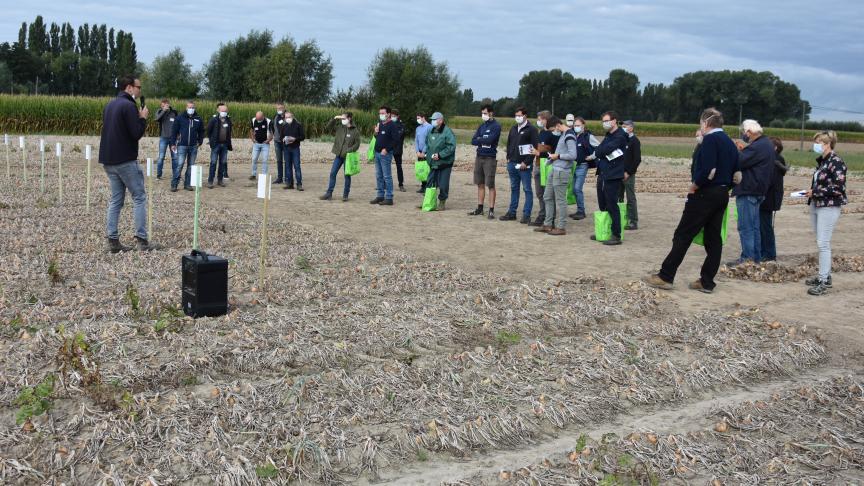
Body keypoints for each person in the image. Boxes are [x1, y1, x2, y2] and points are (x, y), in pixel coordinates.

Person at [644, 108, 739, 293]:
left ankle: (666, 276)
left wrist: (695, 185)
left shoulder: (710, 139)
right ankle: (706, 281)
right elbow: (737, 171)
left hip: (705, 193)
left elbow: (708, 169)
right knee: (713, 239)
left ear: (705, 123)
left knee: (683, 234)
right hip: (722, 194)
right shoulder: (729, 141)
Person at [98, 75, 159, 252]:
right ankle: (141, 240)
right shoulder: (129, 106)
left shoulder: (110, 104)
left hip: (108, 160)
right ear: (129, 88)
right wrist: (143, 118)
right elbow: (136, 133)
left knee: (116, 199)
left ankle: (113, 239)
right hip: (125, 159)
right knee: (139, 197)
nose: (140, 91)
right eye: (138, 87)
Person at [805, 131, 847, 296]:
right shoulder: (823, 162)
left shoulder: (836, 162)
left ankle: (823, 280)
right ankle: (825, 275)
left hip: (829, 206)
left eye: (818, 142)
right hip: (817, 204)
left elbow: (838, 188)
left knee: (823, 243)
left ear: (827, 143)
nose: (815, 145)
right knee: (820, 241)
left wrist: (815, 191)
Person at [729, 119, 773, 264]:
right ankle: (755, 258)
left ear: (749, 132)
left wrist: (736, 149)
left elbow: (739, 161)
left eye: (744, 132)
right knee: (754, 227)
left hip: (749, 190)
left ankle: (747, 258)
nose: (743, 135)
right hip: (758, 190)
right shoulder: (766, 144)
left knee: (746, 227)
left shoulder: (757, 146)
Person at [534, 117, 577, 235]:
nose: (553, 132)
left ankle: (561, 227)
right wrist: (551, 159)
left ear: (558, 125)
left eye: (553, 129)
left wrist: (557, 156)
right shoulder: (564, 135)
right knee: (547, 196)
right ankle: (548, 224)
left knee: (560, 200)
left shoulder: (569, 136)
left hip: (562, 171)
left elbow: (573, 155)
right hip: (554, 169)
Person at [591, 111, 629, 245]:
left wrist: (600, 152)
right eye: (603, 121)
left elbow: (603, 151)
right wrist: (599, 152)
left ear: (614, 121)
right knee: (603, 203)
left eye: (607, 121)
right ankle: (604, 230)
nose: (604, 123)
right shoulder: (608, 135)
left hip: (613, 175)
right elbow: (600, 150)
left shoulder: (620, 136)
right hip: (603, 173)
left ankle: (616, 234)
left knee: (612, 204)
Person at [500, 107, 539, 223]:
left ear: (525, 116)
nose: (517, 117)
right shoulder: (513, 128)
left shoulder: (532, 129)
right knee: (514, 188)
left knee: (527, 189)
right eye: (516, 115)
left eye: (519, 115)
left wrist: (526, 162)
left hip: (524, 166)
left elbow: (535, 148)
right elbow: (509, 144)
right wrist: (508, 158)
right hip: (512, 163)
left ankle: (526, 215)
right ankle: (512, 212)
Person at [469, 104, 501, 219]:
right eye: (482, 113)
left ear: (491, 113)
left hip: (489, 158)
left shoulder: (496, 126)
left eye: (485, 113)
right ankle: (480, 208)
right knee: (480, 183)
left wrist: (480, 139)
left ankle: (491, 210)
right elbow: (473, 140)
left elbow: (491, 140)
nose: (483, 115)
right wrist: (483, 140)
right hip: (479, 156)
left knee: (490, 184)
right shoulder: (481, 126)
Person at [759, 137, 789, 261]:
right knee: (764, 226)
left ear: (775, 148)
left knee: (765, 226)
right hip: (770, 198)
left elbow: (769, 181)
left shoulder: (775, 161)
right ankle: (766, 252)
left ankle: (769, 253)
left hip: (768, 198)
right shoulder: (776, 160)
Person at [320, 112, 361, 201]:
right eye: (341, 119)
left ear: (349, 118)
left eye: (343, 118)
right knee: (332, 173)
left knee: (347, 176)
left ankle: (345, 195)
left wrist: (348, 150)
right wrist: (334, 118)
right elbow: (328, 127)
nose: (342, 120)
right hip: (338, 155)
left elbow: (357, 144)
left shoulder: (355, 131)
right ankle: (329, 193)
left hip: (348, 156)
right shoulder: (340, 127)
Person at [529, 110, 561, 226]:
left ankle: (550, 218)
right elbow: (539, 148)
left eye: (540, 119)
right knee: (539, 193)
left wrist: (540, 153)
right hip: (538, 165)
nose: (538, 121)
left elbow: (555, 151)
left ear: (546, 120)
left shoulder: (555, 134)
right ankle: (542, 215)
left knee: (549, 194)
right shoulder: (541, 132)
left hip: (548, 166)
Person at [423, 112, 457, 211]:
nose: (432, 121)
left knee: (443, 184)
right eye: (432, 119)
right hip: (433, 163)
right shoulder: (431, 131)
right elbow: (428, 144)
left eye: (434, 119)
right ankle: (429, 202)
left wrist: (440, 155)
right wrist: (428, 156)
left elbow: (451, 147)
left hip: (445, 163)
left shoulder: (447, 132)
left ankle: (442, 202)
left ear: (441, 120)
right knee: (430, 183)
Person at [169, 100, 204, 192]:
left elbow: (201, 131)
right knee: (179, 165)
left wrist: (200, 142)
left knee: (191, 166)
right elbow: (174, 131)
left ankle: (187, 184)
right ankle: (174, 184)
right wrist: (173, 143)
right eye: (189, 107)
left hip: (193, 146)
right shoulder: (180, 117)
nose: (191, 109)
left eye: (193, 107)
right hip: (182, 146)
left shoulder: (198, 118)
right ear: (186, 108)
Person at [370, 106, 398, 206]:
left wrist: (386, 149)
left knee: (387, 176)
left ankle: (389, 197)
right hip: (377, 153)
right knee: (379, 176)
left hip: (385, 154)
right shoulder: (380, 124)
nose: (381, 115)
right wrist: (376, 132)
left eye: (382, 113)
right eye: (380, 113)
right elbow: (376, 137)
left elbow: (396, 140)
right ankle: (380, 196)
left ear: (388, 114)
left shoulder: (393, 125)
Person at [569, 116, 596, 220]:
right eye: (575, 125)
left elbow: (599, 147)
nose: (576, 127)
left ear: (583, 126)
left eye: (578, 125)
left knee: (577, 188)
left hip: (582, 166)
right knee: (573, 189)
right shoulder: (572, 135)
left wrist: (592, 157)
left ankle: (581, 211)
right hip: (572, 166)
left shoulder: (588, 136)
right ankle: (579, 210)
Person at [619, 120, 642, 230]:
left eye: (625, 126)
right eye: (622, 126)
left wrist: (628, 172)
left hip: (629, 175)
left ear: (631, 128)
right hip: (618, 173)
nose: (623, 128)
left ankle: (633, 221)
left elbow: (637, 159)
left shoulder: (635, 141)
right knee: (618, 197)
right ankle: (620, 218)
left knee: (630, 198)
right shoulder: (622, 140)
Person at [206, 103, 232, 188]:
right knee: (213, 163)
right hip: (216, 145)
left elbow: (229, 132)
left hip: (224, 145)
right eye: (222, 111)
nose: (224, 112)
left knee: (223, 163)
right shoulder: (213, 120)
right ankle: (210, 181)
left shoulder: (228, 120)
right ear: (218, 110)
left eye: (225, 111)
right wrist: (211, 141)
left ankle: (220, 180)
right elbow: (208, 131)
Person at [277, 111, 305, 190]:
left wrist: (295, 139)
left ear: (292, 117)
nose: (287, 119)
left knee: (297, 166)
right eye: (286, 118)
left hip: (295, 148)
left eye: (289, 117)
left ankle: (299, 184)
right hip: (286, 148)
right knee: (288, 166)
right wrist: (283, 139)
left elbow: (303, 136)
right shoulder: (283, 126)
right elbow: (280, 137)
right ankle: (289, 184)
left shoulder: (298, 125)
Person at [154, 99, 177, 180]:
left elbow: (178, 123)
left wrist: (178, 134)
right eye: (163, 105)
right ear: (161, 106)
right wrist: (163, 111)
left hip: (173, 139)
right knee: (161, 157)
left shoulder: (174, 112)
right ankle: (159, 175)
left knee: (174, 157)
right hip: (163, 138)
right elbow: (156, 119)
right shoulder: (159, 112)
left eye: (167, 104)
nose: (165, 106)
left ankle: (175, 174)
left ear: (169, 104)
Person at [249, 111, 272, 180]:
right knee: (254, 159)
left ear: (263, 116)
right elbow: (251, 130)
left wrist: (269, 140)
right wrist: (252, 139)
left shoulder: (268, 121)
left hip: (265, 144)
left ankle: (264, 175)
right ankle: (253, 174)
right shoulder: (253, 120)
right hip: (256, 144)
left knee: (264, 160)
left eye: (259, 119)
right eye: (257, 119)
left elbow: (272, 132)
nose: (258, 120)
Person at [415, 112, 434, 194]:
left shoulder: (430, 127)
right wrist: (417, 151)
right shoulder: (418, 128)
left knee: (428, 170)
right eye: (417, 118)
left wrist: (423, 151)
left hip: (427, 152)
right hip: (419, 153)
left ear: (423, 118)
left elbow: (429, 141)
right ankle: (423, 186)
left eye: (419, 118)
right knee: (421, 170)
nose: (418, 120)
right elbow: (416, 140)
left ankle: (428, 187)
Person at [391, 109, 407, 192]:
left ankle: (401, 184)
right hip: (388, 149)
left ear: (398, 116)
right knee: (386, 167)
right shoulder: (388, 124)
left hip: (397, 149)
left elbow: (398, 136)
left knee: (399, 167)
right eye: (391, 116)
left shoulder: (401, 125)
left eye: (394, 116)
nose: (392, 117)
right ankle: (384, 184)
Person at [270, 103, 286, 183]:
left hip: (286, 142)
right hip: (277, 142)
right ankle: (279, 178)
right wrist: (272, 136)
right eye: (278, 108)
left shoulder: (288, 116)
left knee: (287, 160)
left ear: (284, 108)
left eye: (280, 108)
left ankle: (287, 178)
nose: (279, 110)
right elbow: (272, 127)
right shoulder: (275, 117)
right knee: (279, 160)